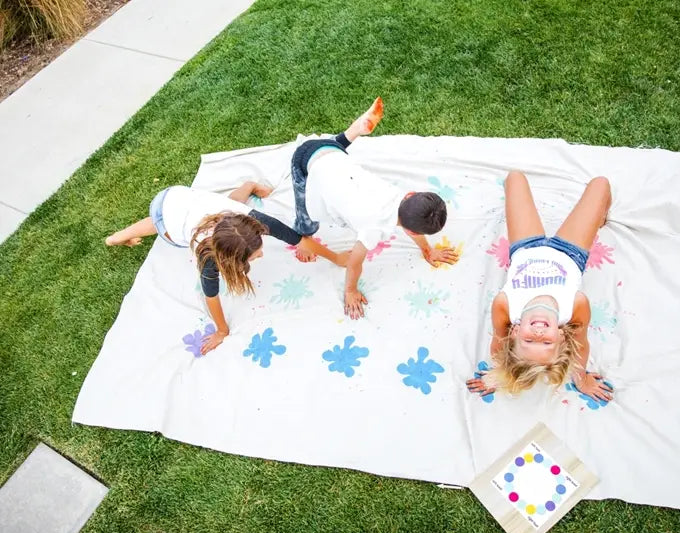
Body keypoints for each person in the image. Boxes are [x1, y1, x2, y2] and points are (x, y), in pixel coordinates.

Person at [105, 181, 347, 354]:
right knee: (164, 228)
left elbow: (295, 238)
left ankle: (249, 185)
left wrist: (336, 259)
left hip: (185, 197)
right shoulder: (208, 257)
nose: (261, 254)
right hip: (165, 208)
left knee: (229, 204)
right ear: (230, 259)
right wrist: (221, 331)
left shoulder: (249, 220)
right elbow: (211, 296)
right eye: (254, 255)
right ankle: (118, 236)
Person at [289, 97, 458, 320]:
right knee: (306, 221)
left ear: (410, 194)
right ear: (414, 231)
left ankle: (354, 131)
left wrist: (427, 250)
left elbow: (413, 220)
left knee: (336, 156)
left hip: (332, 152)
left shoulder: (397, 195)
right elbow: (354, 263)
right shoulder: (373, 229)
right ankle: (304, 236)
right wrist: (350, 291)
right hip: (304, 161)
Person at [466, 171, 614, 401]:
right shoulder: (575, 304)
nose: (538, 333)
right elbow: (582, 344)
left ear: (514, 333)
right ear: (561, 337)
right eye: (546, 342)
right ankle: (599, 216)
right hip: (570, 252)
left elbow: (497, 343)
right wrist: (582, 379)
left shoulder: (505, 305)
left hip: (525, 247)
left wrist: (497, 375)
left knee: (515, 177)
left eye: (528, 340)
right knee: (601, 184)